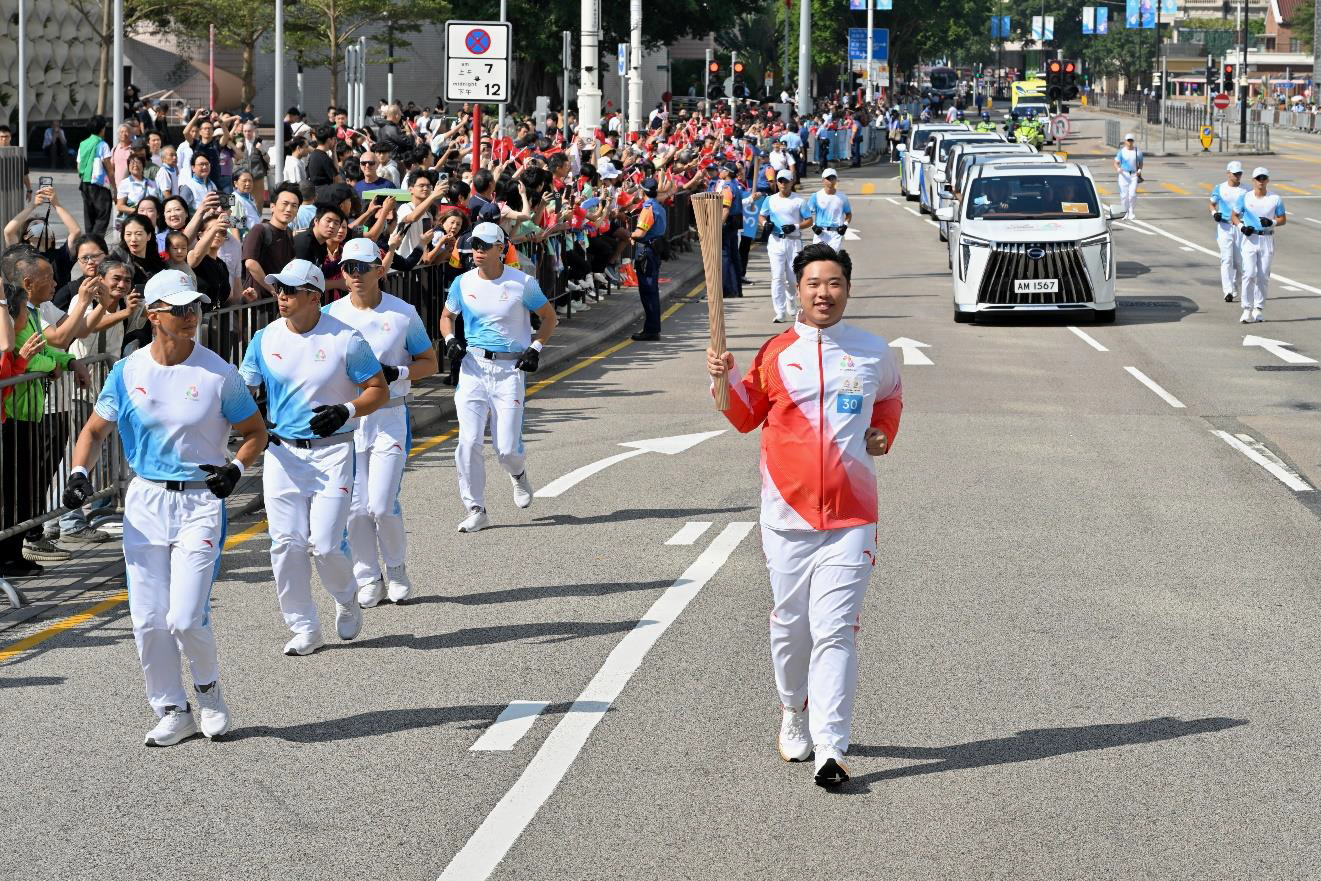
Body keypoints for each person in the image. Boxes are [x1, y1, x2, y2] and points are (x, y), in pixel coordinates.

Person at [706, 244, 903, 788]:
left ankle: (831, 747)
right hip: (787, 515)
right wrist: (723, 383)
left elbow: (889, 399)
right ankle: (793, 708)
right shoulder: (775, 353)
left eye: (834, 282)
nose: (824, 292)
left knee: (836, 629)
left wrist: (884, 431)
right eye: (814, 283)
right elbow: (747, 418)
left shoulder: (872, 351)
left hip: (851, 514)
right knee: (793, 627)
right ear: (799, 289)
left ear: (847, 289)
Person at [61, 270, 267, 745]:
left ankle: (209, 689)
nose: (190, 316)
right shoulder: (128, 371)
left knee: (184, 615)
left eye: (194, 306)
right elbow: (94, 432)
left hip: (200, 500)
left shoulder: (219, 373)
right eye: (178, 309)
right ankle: (173, 708)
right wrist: (79, 475)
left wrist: (235, 468)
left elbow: (255, 432)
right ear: (152, 315)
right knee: (149, 618)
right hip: (147, 500)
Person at [238, 259, 389, 655]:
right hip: (283, 455)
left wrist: (348, 410)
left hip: (333, 452)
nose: (281, 296)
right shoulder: (265, 338)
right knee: (285, 543)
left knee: (323, 544)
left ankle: (345, 595)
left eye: (290, 290)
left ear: (314, 296)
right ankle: (304, 626)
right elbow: (243, 390)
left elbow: (379, 390)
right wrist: (252, 419)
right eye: (278, 289)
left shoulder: (346, 339)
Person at [323, 239, 437, 607]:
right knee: (355, 509)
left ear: (380, 270)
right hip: (348, 420)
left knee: (382, 504)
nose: (355, 275)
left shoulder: (402, 313)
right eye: (348, 268)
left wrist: (399, 371)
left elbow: (430, 362)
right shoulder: (331, 316)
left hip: (389, 415)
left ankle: (397, 567)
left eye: (362, 267)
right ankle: (367, 576)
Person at [439, 222, 558, 533]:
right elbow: (447, 316)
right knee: (468, 442)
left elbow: (549, 317)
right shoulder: (462, 283)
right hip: (473, 369)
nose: (477, 250)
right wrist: (451, 340)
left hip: (509, 371)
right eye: (474, 244)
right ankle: (476, 508)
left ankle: (517, 475)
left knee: (506, 448)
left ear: (500, 249)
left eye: (484, 245)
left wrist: (535, 347)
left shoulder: (522, 283)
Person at [1232, 166, 1286, 324]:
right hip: (1250, 239)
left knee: (1263, 276)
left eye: (1264, 178)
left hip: (1266, 239)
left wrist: (1272, 222)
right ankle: (1246, 309)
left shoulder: (1275, 198)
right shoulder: (1245, 197)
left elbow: (1283, 219)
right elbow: (1234, 216)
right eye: (1258, 178)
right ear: (1253, 181)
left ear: (1267, 180)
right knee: (1249, 274)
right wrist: (1242, 227)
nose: (1261, 181)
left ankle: (1258, 309)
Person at [758, 169, 810, 323]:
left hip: (793, 242)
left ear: (792, 182)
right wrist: (765, 223)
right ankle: (780, 312)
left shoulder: (799, 201)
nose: (783, 184)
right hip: (776, 241)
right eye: (780, 181)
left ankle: (791, 302)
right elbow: (762, 215)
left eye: (786, 181)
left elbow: (809, 220)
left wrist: (795, 226)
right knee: (777, 277)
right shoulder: (770, 200)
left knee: (792, 278)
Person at [242, 182, 300, 296]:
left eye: (294, 206)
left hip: (277, 301)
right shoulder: (259, 230)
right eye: (285, 204)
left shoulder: (288, 232)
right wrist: (272, 289)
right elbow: (250, 263)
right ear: (272, 207)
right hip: (257, 302)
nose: (289, 209)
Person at [629, 178, 668, 342]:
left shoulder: (648, 208)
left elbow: (641, 233)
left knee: (648, 291)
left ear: (642, 191)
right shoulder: (659, 207)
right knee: (651, 290)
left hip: (647, 252)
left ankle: (651, 330)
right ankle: (652, 328)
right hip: (654, 250)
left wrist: (630, 234)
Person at [1209, 160, 1246, 304]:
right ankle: (1228, 291)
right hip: (1224, 227)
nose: (1238, 176)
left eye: (1239, 173)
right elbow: (1212, 204)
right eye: (1235, 174)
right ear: (1228, 173)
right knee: (1226, 259)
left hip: (1239, 227)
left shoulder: (1246, 190)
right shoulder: (1219, 188)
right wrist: (1214, 214)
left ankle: (1234, 286)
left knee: (1238, 262)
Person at [77, 116, 116, 237]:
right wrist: (114, 188)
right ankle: (96, 242)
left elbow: (78, 166)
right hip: (99, 185)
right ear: (102, 129)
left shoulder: (83, 144)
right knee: (103, 214)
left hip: (85, 183)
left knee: (89, 215)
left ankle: (89, 241)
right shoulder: (102, 145)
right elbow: (109, 170)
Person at [715, 161, 745, 299]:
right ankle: (736, 290)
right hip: (734, 223)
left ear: (727, 172)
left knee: (726, 257)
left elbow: (725, 209)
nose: (720, 171)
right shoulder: (735, 186)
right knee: (734, 257)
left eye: (722, 169)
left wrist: (718, 226)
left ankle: (728, 290)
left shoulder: (727, 188)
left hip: (728, 224)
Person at [806, 168, 853, 251]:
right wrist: (813, 226)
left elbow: (848, 214)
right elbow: (806, 214)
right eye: (828, 178)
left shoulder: (842, 197)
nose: (831, 181)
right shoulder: (816, 196)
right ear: (823, 180)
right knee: (818, 259)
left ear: (836, 180)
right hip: (820, 232)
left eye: (833, 178)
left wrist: (845, 225)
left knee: (832, 260)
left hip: (836, 233)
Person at [1113, 133, 1143, 221]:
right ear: (1125, 141)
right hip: (1123, 175)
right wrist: (1118, 169)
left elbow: (1140, 163)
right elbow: (1115, 162)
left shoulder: (1138, 151)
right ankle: (1125, 212)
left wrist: (1139, 170)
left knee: (1132, 195)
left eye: (1131, 140)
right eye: (1128, 140)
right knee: (1124, 195)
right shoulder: (1122, 152)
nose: (1129, 142)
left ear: (1133, 141)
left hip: (1134, 175)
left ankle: (1131, 212)